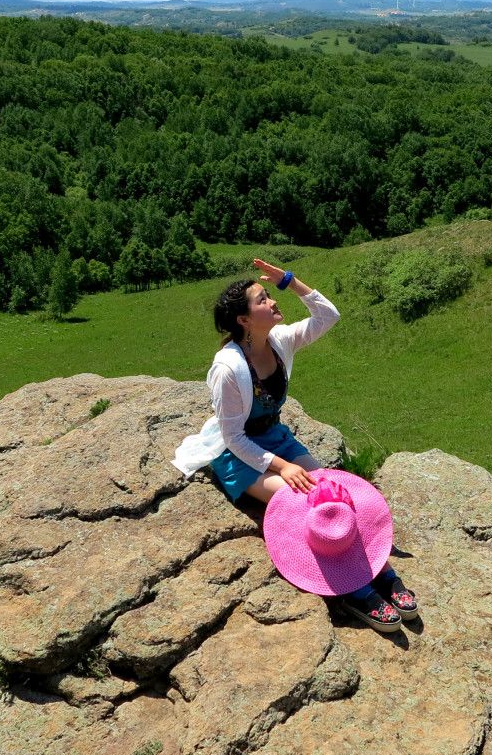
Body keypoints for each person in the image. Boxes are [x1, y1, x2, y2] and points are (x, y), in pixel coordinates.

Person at [172, 258, 418, 632]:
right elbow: (233, 436)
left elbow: (328, 316)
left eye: (269, 294)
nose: (272, 302)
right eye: (262, 299)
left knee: (335, 494)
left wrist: (290, 281)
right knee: (304, 502)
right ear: (243, 319)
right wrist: (282, 466)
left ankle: (379, 568)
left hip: (272, 435)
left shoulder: (279, 340)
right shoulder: (227, 368)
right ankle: (351, 591)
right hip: (237, 454)